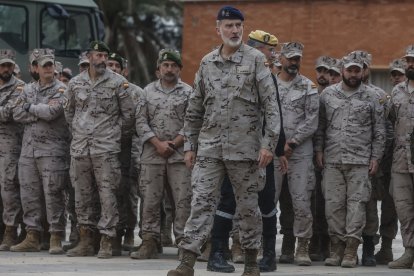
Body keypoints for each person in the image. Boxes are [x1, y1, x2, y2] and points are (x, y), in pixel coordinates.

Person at [167, 6, 280, 276]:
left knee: (248, 208)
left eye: (238, 25)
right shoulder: (207, 62)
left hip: (245, 150)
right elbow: (195, 107)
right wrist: (190, 145)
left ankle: (251, 262)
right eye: (229, 25)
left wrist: (268, 144)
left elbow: (271, 106)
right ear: (218, 28)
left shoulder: (255, 60)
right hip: (210, 148)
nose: (235, 30)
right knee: (201, 203)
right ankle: (187, 262)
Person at [205, 29, 287, 273]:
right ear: (256, 48)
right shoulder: (229, 71)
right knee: (228, 200)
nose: (273, 55)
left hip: (261, 152)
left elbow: (275, 116)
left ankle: (268, 255)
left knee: (265, 201)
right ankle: (217, 253)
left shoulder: (266, 75)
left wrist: (278, 150)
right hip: (232, 151)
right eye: (270, 50)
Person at [63, 41, 135, 259]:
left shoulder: (118, 83)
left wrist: (112, 133)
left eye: (105, 56)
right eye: (99, 55)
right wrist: (80, 131)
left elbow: (129, 116)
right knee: (82, 196)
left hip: (106, 149)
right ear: (89, 57)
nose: (103, 60)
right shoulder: (75, 83)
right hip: (81, 149)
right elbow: (69, 113)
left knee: (108, 195)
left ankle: (107, 241)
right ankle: (85, 240)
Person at [315, 52, 385, 268]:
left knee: (357, 206)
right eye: (350, 70)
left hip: (360, 161)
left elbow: (379, 131)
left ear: (363, 71)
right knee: (333, 206)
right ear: (343, 70)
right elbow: (321, 126)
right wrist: (319, 150)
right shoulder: (328, 95)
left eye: (357, 70)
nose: (353, 74)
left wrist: (376, 157)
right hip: (333, 160)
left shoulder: (373, 97)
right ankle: (336, 249)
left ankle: (351, 251)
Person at [131, 49, 192, 260]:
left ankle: (184, 243)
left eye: (173, 66)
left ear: (179, 69)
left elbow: (192, 122)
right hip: (152, 155)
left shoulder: (188, 92)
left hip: (178, 157)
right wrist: (156, 143)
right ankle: (149, 241)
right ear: (158, 70)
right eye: (165, 66)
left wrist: (174, 144)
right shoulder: (147, 92)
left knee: (183, 200)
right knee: (149, 200)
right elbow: (139, 121)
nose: (169, 69)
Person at [11, 48, 70, 254]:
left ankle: (55, 236)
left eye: (51, 65)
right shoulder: (27, 89)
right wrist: (37, 109)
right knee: (29, 194)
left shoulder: (62, 89)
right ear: (35, 68)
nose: (48, 69)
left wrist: (31, 108)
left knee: (53, 193)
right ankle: (32, 236)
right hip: (29, 151)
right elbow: (16, 113)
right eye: (44, 65)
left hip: (52, 151)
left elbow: (53, 112)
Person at [274, 42, 319, 266]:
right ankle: (265, 244)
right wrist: (276, 144)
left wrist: (291, 143)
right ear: (281, 59)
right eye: (290, 58)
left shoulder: (308, 87)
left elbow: (311, 121)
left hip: (299, 153)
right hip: (272, 152)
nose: (294, 62)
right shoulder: (269, 84)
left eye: (297, 59)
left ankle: (302, 246)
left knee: (301, 200)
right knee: (268, 200)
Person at [106, 52, 142, 255]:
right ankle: (113, 234)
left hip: (130, 149)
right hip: (108, 149)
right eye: (109, 64)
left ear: (124, 70)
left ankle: (129, 231)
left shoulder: (135, 92)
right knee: (111, 193)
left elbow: (138, 123)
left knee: (129, 193)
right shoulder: (102, 88)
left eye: (116, 65)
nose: (112, 68)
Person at [387, 45, 414, 270]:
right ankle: (409, 252)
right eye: (408, 60)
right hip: (400, 160)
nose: (410, 64)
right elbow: (391, 122)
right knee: (404, 208)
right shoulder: (397, 91)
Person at [0, 49, 25, 251]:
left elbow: (8, 113)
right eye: (2, 65)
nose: (6, 69)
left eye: (9, 65)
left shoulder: (19, 87)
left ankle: (11, 230)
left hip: (9, 145)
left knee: (9, 187)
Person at [308, 56, 332, 262]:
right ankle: (314, 240)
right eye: (321, 71)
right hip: (312, 155)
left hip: (335, 155)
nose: (324, 75)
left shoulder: (335, 96)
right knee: (313, 201)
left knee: (330, 201)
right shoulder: (310, 93)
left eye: (329, 72)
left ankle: (329, 242)